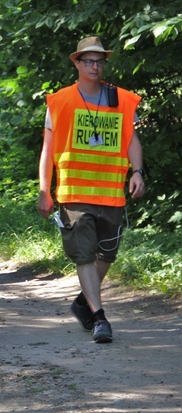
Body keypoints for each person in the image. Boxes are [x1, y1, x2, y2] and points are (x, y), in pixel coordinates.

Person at [37, 37, 145, 344]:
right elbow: (48, 150)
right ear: (77, 63)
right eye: (89, 61)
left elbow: (131, 139)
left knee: (106, 255)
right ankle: (99, 316)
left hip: (111, 192)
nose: (95, 67)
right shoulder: (59, 101)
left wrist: (137, 172)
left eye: (99, 62)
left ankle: (83, 301)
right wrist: (45, 190)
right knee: (84, 255)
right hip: (74, 193)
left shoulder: (120, 99)